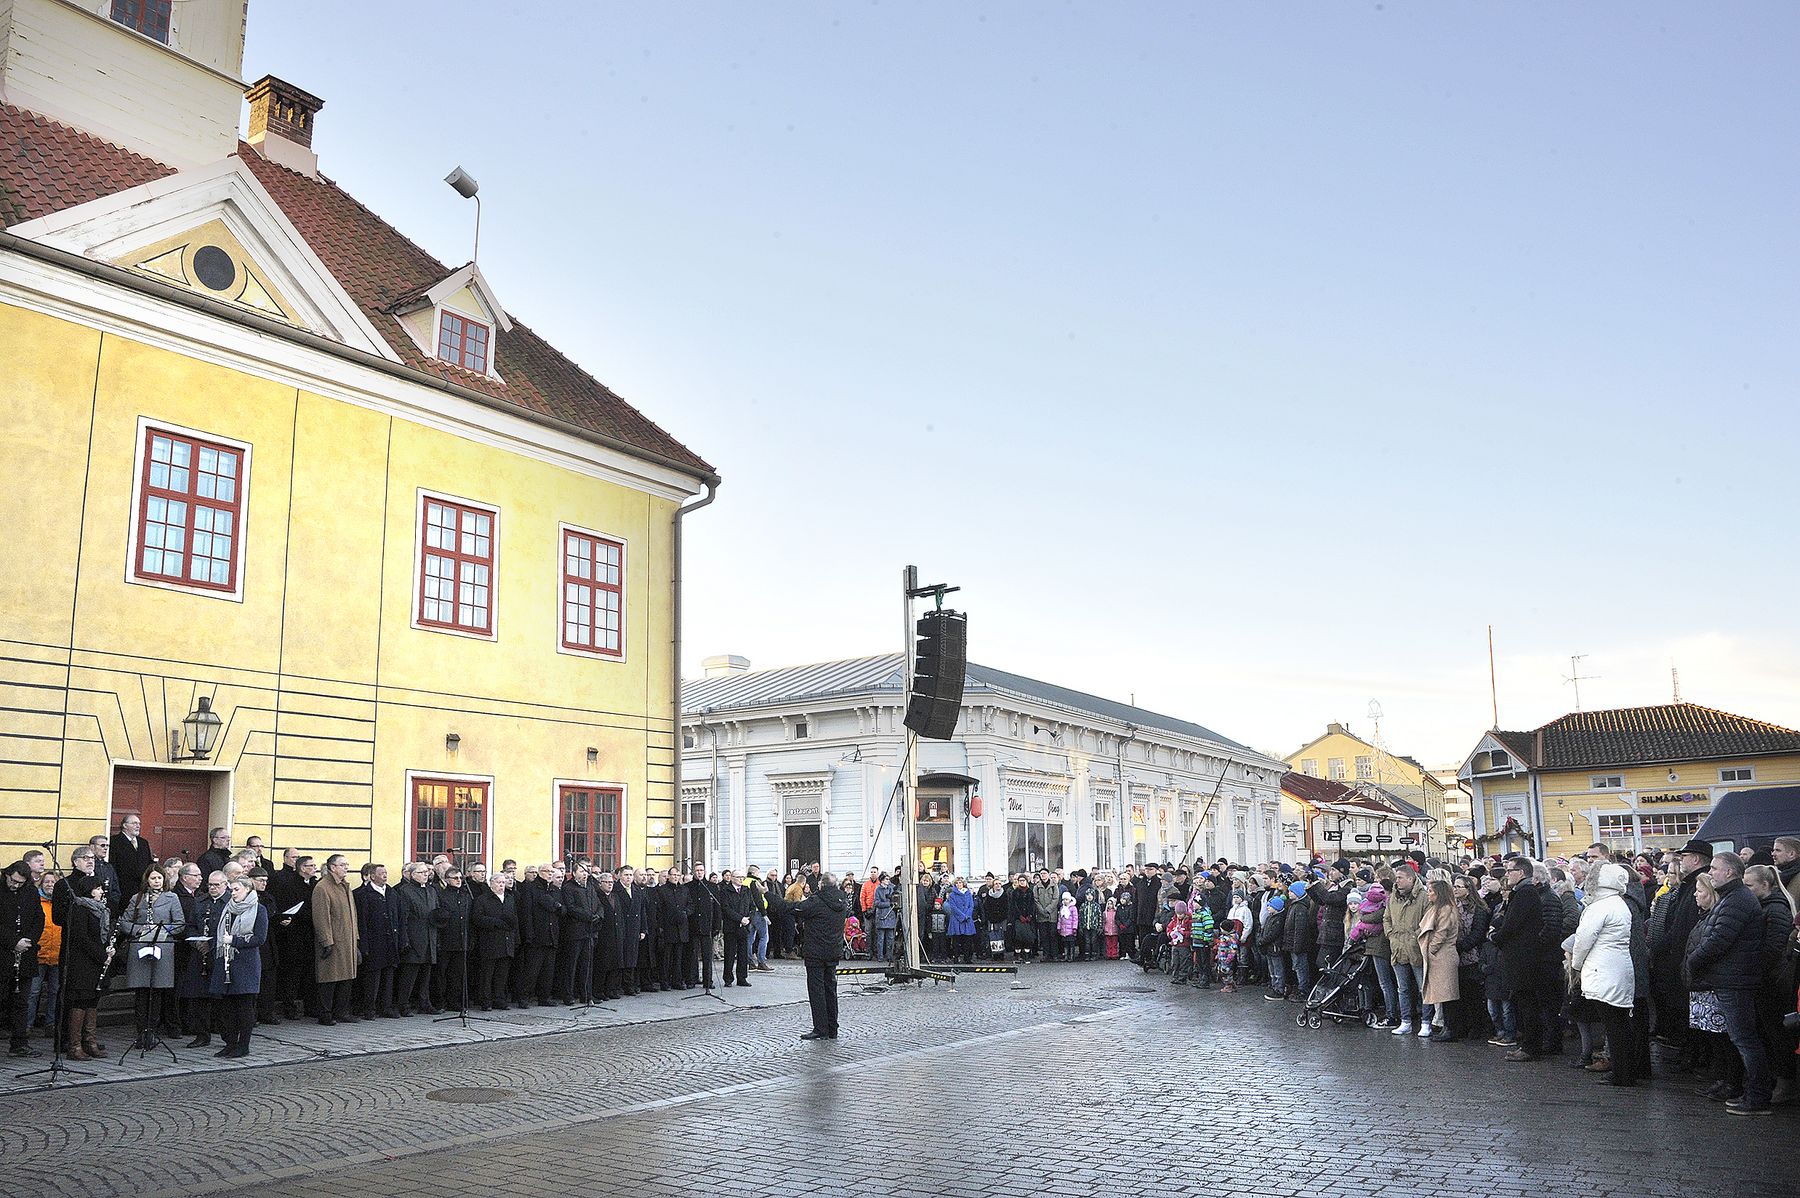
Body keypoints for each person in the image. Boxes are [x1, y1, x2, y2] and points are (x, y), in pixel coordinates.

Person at [1686, 852, 1771, 1115]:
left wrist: (1693, 961)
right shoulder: (1732, 897)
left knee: (1745, 1040)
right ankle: (1750, 1092)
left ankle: (1757, 1098)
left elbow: (1718, 939)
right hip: (1731, 978)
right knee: (1741, 1039)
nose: (1710, 872)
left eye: (1714, 868)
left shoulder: (1737, 900)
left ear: (1731, 872)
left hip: (1736, 980)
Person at [1567, 863, 1638, 1086]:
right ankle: (1625, 1070)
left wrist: (1575, 965)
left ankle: (1621, 1073)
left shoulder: (1600, 906)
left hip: (1603, 971)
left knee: (1614, 1026)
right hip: (1617, 969)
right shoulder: (1619, 903)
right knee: (1619, 1026)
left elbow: (1583, 940)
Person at [117, 866, 182, 1049]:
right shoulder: (137, 898)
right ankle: (141, 1032)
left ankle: (152, 1031)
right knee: (142, 991)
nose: (156, 881)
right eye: (153, 878)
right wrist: (139, 930)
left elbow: (179, 923)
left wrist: (163, 930)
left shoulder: (172, 898)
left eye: (159, 878)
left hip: (162, 947)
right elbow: (124, 922)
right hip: (140, 947)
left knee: (157, 990)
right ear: (147, 880)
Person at [205, 873, 268, 1058]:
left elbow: (259, 938)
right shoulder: (228, 908)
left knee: (244, 1006)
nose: (233, 893)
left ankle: (243, 1044)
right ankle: (230, 1043)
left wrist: (234, 940)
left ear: (248, 889)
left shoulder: (259, 909)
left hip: (246, 963)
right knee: (227, 1007)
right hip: (225, 961)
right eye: (231, 890)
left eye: (237, 890)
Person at [61, 872, 112, 1060]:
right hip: (82, 963)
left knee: (92, 1000)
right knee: (80, 1000)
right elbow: (82, 938)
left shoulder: (100, 910)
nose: (100, 892)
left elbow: (101, 937)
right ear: (89, 891)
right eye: (97, 888)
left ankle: (90, 1042)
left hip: (95, 962)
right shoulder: (80, 908)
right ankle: (74, 1046)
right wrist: (101, 955)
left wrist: (108, 950)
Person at [793, 870, 847, 1041]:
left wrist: (768, 896)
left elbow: (795, 908)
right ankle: (832, 1028)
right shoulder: (842, 900)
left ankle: (821, 1029)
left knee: (817, 991)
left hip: (815, 952)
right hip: (833, 950)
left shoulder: (817, 901)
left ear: (821, 884)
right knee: (830, 990)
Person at [310, 855, 360, 1025]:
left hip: (348, 940)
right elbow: (321, 917)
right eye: (342, 865)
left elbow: (353, 916)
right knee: (329, 979)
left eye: (347, 864)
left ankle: (342, 1011)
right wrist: (326, 941)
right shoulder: (322, 888)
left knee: (346, 978)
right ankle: (325, 1013)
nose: (346, 867)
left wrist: (356, 939)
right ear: (332, 867)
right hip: (334, 941)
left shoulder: (345, 886)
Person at [2, 859, 46, 1057]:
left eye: (20, 882)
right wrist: (14, 942)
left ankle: (19, 1043)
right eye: (13, 881)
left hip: (26, 955)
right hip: (3, 954)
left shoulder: (30, 892)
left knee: (22, 1001)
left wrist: (29, 941)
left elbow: (39, 918)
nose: (15, 885)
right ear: (6, 875)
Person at [393, 862, 441, 1015]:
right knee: (409, 975)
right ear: (413, 875)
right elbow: (404, 918)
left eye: (426, 872)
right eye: (421, 872)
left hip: (430, 936)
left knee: (426, 974)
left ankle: (424, 1003)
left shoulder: (431, 890)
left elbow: (436, 912)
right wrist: (405, 940)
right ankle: (404, 1004)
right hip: (414, 938)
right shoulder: (405, 891)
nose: (425, 874)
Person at [353, 864, 401, 1018]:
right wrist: (364, 944)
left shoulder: (392, 893)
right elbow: (363, 921)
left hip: (390, 941)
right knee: (373, 978)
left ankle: (386, 1007)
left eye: (386, 873)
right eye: (381, 873)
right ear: (372, 876)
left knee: (388, 977)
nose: (385, 876)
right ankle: (369, 1008)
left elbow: (398, 917)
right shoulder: (365, 894)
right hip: (374, 941)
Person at [1419, 875, 1461, 1043]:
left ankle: (1450, 1029)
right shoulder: (1437, 908)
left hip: (1442, 956)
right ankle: (1446, 1027)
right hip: (1437, 955)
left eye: (1431, 891)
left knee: (1448, 995)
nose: (1428, 894)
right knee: (1443, 995)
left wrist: (1431, 949)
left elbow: (1441, 932)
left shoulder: (1446, 910)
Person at [472, 871, 522, 1010]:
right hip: (490, 941)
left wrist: (515, 938)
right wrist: (495, 922)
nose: (501, 885)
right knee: (487, 974)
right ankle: (486, 1001)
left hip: (507, 940)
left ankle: (499, 1000)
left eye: (503, 882)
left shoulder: (509, 898)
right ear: (491, 884)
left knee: (502, 974)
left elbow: (514, 918)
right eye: (498, 882)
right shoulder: (483, 899)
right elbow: (477, 918)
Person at [109, 814, 156, 905]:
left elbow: (148, 863)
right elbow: (112, 865)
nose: (138, 826)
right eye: (134, 823)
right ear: (125, 825)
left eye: (139, 823)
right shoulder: (114, 842)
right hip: (123, 888)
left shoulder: (143, 842)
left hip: (142, 888)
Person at [718, 870, 753, 987]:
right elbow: (726, 909)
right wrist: (740, 918)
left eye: (742, 877)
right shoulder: (725, 891)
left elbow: (752, 906)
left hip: (744, 926)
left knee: (743, 954)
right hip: (731, 927)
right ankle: (728, 978)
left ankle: (742, 978)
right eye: (738, 877)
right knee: (730, 954)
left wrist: (748, 919)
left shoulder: (746, 890)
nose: (741, 879)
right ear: (732, 878)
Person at [945, 877, 977, 964]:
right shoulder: (952, 895)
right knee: (956, 940)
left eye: (961, 882)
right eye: (957, 883)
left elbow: (971, 906)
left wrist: (967, 915)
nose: (959, 884)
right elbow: (953, 907)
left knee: (967, 940)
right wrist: (962, 916)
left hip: (967, 919)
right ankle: (956, 957)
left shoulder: (968, 893)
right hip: (956, 919)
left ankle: (967, 958)